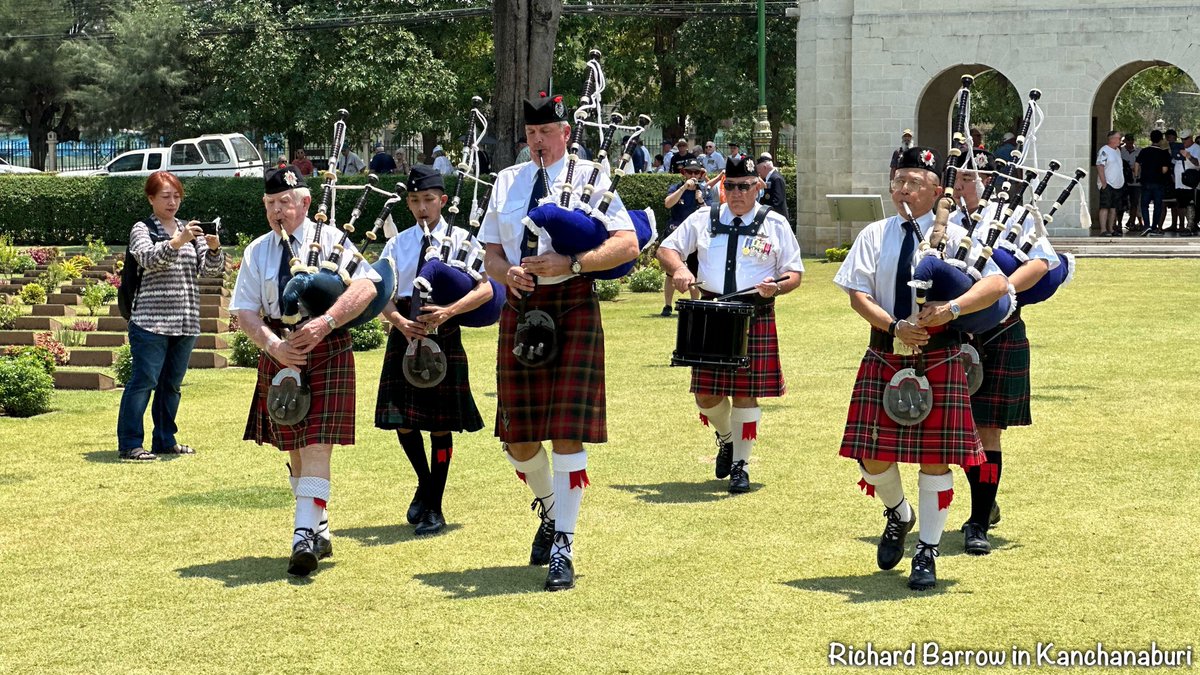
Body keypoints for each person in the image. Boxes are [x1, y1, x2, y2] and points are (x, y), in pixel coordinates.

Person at [481, 92, 639, 592]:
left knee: (568, 431)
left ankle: (564, 545)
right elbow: (488, 250)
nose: (537, 142)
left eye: (546, 133)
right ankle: (550, 512)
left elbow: (627, 243)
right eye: (530, 135)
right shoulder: (507, 180)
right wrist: (507, 272)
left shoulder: (592, 176)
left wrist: (571, 264)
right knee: (518, 437)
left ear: (565, 134)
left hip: (571, 306)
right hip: (520, 310)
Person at [832, 146, 1007, 591]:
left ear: (935, 189)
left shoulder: (963, 231)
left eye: (913, 182)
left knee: (934, 457)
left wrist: (951, 308)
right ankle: (898, 513)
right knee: (870, 454)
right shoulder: (875, 233)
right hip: (887, 346)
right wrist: (894, 325)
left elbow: (996, 283)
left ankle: (926, 551)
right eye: (897, 182)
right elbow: (858, 292)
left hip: (942, 349)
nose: (903, 190)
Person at [230, 165, 381, 577]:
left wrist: (325, 322)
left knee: (315, 445)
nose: (277, 211)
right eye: (270, 205)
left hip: (326, 345)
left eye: (284, 203)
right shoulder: (257, 251)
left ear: (306, 203)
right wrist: (273, 346)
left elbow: (367, 286)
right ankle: (320, 525)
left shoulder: (331, 240)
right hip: (280, 350)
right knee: (295, 447)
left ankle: (303, 537)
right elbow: (244, 310)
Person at [658, 156, 804, 493]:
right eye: (730, 186)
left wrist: (778, 286)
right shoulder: (704, 218)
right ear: (723, 188)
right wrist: (679, 268)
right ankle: (726, 439)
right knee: (706, 397)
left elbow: (795, 273)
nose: (737, 192)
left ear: (757, 187)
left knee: (745, 394)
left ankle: (742, 464)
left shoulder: (775, 224)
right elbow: (667, 249)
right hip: (711, 313)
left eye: (744, 186)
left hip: (754, 314)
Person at [949, 156, 1060, 556]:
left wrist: (1001, 293)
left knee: (987, 429)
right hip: (949, 331)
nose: (962, 183)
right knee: (954, 431)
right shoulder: (941, 219)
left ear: (990, 179)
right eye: (957, 176)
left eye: (969, 176)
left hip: (1001, 331)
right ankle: (985, 495)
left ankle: (977, 520)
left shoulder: (1015, 217)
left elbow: (1042, 263)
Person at [376, 166, 492, 536]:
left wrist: (448, 311)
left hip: (445, 333)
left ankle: (435, 507)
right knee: (404, 421)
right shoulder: (398, 244)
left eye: (428, 200)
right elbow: (382, 295)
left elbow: (487, 288)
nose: (421, 207)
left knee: (441, 427)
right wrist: (398, 321)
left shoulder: (462, 239)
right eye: (414, 201)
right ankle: (426, 486)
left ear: (442, 200)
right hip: (405, 334)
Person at [116, 171, 225, 462]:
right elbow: (148, 259)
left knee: (171, 386)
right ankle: (130, 444)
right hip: (150, 321)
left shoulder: (189, 230)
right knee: (143, 381)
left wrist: (214, 249)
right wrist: (177, 241)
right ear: (151, 198)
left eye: (176, 196)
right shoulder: (142, 229)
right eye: (166, 196)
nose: (172, 202)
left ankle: (165, 440)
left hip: (186, 321)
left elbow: (211, 270)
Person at [659, 158, 720, 316]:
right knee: (671, 272)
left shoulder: (705, 190)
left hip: (696, 237)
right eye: (689, 172)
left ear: (701, 174)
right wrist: (683, 189)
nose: (693, 175)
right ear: (683, 173)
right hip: (676, 235)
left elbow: (710, 214)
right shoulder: (677, 187)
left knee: (695, 271)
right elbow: (667, 204)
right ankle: (667, 305)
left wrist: (700, 199)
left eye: (696, 172)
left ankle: (695, 304)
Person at [1135, 129, 1171, 236]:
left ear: (1150, 139)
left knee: (1144, 205)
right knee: (1158, 205)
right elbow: (1165, 169)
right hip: (1159, 182)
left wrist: (1137, 175)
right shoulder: (1164, 153)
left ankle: (1147, 226)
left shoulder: (1144, 151)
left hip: (1145, 181)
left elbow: (1137, 164)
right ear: (1160, 140)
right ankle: (1155, 227)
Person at [1095, 130, 1125, 237]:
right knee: (1105, 206)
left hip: (1117, 184)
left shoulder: (1117, 151)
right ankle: (1103, 229)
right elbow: (1100, 166)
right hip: (1108, 184)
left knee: (1113, 208)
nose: (1120, 140)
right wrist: (1104, 182)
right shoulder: (1104, 150)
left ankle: (1111, 229)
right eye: (1118, 138)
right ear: (1111, 139)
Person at [1169, 130, 1200, 234]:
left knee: (1190, 203)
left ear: (1191, 138)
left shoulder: (1197, 148)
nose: (1184, 141)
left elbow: (1197, 163)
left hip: (1191, 181)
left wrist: (1189, 156)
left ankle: (1191, 225)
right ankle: (1186, 225)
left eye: (1186, 139)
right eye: (1182, 139)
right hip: (1179, 181)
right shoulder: (1179, 148)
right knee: (1182, 204)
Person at [756, 153, 790, 222]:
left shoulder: (776, 178)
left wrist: (764, 212)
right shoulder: (769, 178)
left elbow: (777, 202)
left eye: (759, 172)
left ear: (765, 167)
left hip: (777, 219)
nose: (759, 174)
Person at [1119, 134, 1141, 232]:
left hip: (1136, 181)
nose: (1129, 142)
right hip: (1122, 181)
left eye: (1131, 140)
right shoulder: (1120, 151)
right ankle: (1118, 223)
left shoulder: (1139, 151)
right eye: (1127, 140)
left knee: (1134, 203)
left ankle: (1132, 222)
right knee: (1121, 203)